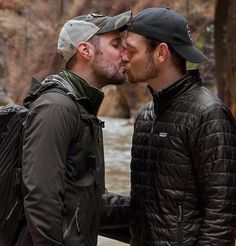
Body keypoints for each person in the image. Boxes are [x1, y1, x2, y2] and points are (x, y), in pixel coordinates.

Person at [16, 10, 132, 246]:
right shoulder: (56, 108)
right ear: (85, 50)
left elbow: (88, 203)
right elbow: (41, 199)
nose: (125, 54)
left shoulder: (82, 109)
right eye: (116, 44)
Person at [122, 7, 236, 245]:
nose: (124, 56)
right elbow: (141, 209)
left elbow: (221, 218)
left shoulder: (208, 114)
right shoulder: (146, 116)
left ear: (161, 53)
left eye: (131, 50)